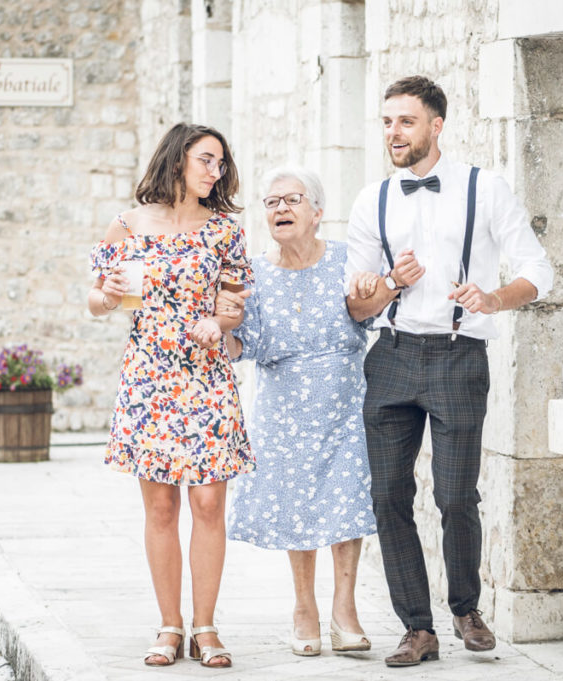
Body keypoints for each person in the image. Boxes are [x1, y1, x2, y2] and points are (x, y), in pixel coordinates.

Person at [344, 76, 555, 667]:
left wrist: (493, 298)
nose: (394, 133)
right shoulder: (372, 201)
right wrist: (388, 285)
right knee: (387, 495)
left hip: (460, 355)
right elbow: (358, 303)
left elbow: (540, 270)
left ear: (436, 125)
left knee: (456, 495)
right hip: (389, 356)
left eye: (405, 122)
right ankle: (418, 628)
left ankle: (465, 607)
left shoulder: (484, 189)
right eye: (387, 122)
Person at [88, 123, 254, 670]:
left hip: (206, 376)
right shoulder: (128, 225)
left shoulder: (225, 231)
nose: (216, 171)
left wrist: (217, 319)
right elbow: (97, 300)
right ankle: (169, 626)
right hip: (150, 378)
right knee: (161, 505)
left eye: (221, 163)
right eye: (207, 160)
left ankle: (205, 627)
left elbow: (236, 306)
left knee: (208, 502)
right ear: (177, 160)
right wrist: (107, 296)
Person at [216, 166, 378, 657]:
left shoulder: (349, 260)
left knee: (347, 498)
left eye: (292, 200)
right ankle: (304, 606)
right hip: (282, 403)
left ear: (318, 213)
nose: (280, 209)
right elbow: (244, 345)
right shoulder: (255, 273)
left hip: (345, 398)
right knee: (295, 502)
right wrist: (225, 325)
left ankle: (345, 608)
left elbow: (372, 314)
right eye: (271, 202)